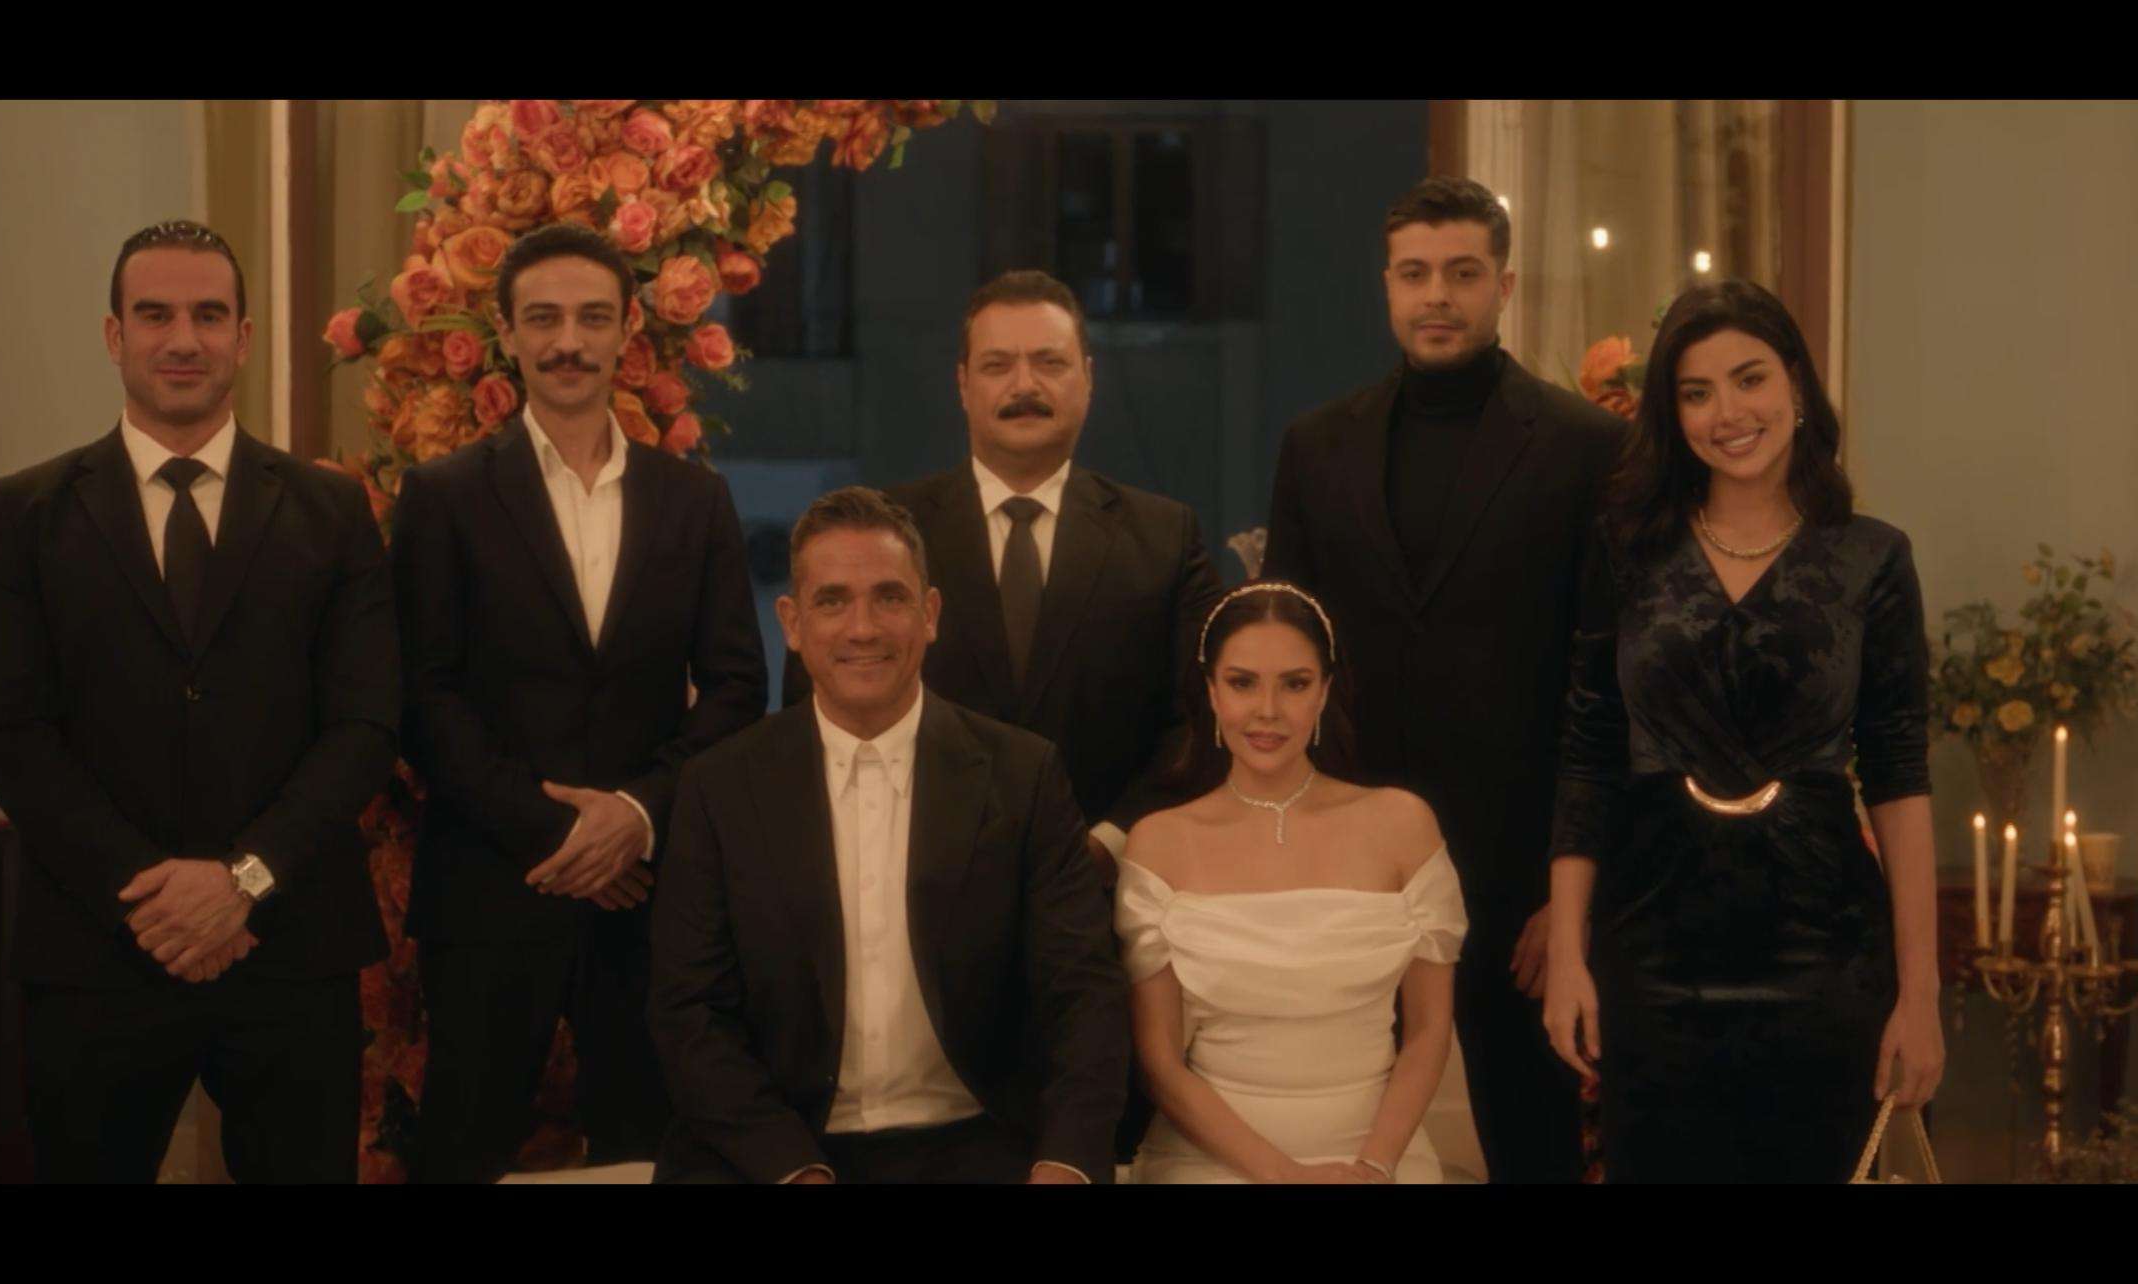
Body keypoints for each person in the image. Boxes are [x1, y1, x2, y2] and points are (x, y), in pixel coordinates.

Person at [0, 219, 399, 1182]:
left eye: (207, 315)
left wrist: (241, 883)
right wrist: (155, 896)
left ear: (242, 337)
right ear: (114, 334)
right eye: (155, 315)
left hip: (291, 946)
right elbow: (11, 737)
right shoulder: (23, 513)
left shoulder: (332, 510)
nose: (183, 339)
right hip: (97, 948)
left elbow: (365, 725)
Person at [1263, 176, 1625, 1183]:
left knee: (1535, 1148)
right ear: (1386, 285)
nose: (1437, 295)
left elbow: (1606, 683)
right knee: (1344, 1138)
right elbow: (1285, 673)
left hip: (1524, 878)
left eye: (1462, 274)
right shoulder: (1316, 448)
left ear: (1502, 285)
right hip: (1354, 869)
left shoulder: (1589, 449)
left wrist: (1569, 893)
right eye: (1415, 273)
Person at [1541, 279, 1943, 1182]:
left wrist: (1920, 992)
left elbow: (1900, 776)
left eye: (1749, 378)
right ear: (1671, 413)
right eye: (1697, 392)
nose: (1728, 413)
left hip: (1826, 952)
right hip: (1653, 946)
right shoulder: (1624, 549)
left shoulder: (1872, 556)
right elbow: (1588, 756)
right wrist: (1567, 953)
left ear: (1796, 383)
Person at [389, 223, 766, 1182]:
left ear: (629, 329)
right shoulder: (441, 496)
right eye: (544, 319)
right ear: (506, 334)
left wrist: (635, 815)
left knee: (652, 1155)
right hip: (491, 890)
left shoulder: (694, 501)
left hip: (651, 899)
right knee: (462, 1155)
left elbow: (737, 688)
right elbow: (422, 699)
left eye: (593, 318)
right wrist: (560, 834)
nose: (569, 341)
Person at [649, 486, 1129, 1184]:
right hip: (770, 1149)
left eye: (889, 598)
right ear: (792, 623)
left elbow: (1083, 994)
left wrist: (1065, 1163)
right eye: (832, 601)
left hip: (978, 1145)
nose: (863, 628)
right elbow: (690, 1014)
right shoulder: (718, 787)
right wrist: (794, 1171)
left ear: (929, 614)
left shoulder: (1023, 775)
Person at [785, 271, 1220, 870]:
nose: (1025, 385)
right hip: (905, 872)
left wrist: (1110, 842)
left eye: (1049, 362)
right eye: (997, 366)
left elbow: (1199, 718)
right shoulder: (882, 538)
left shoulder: (1164, 537)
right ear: (963, 384)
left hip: (1109, 881)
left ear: (1089, 378)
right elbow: (810, 703)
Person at [1114, 582, 1466, 1184]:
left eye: (1295, 684)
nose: (1268, 710)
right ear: (1211, 690)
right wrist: (1285, 1176)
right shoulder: (1159, 842)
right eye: (1242, 683)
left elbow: (1430, 1030)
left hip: (1381, 1156)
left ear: (1325, 691)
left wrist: (1374, 1167)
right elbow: (1159, 1062)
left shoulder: (1403, 824)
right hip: (1209, 1159)